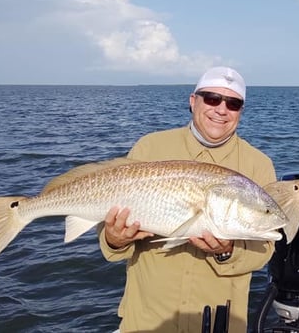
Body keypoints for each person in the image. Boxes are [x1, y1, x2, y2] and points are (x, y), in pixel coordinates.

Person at [99, 66, 277, 333]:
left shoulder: (258, 165)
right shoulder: (150, 148)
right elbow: (111, 235)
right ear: (193, 101)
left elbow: (265, 250)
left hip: (217, 323)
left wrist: (227, 250)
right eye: (212, 98)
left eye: (233, 103)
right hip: (148, 321)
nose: (221, 109)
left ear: (241, 111)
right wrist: (114, 239)